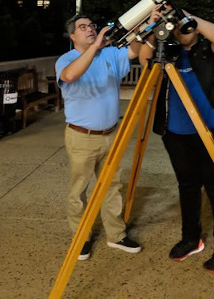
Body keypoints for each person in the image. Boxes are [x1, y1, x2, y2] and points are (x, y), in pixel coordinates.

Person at [139, 6, 214, 273]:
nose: (183, 31)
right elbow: (143, 58)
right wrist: (153, 25)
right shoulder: (166, 53)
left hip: (213, 131)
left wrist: (187, 15)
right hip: (177, 134)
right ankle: (191, 238)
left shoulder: (208, 51)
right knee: (188, 186)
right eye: (178, 26)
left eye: (186, 26)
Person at [55, 14, 142, 261]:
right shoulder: (67, 59)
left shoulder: (110, 54)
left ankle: (116, 235)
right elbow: (70, 76)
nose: (90, 29)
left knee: (112, 187)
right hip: (82, 137)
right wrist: (94, 48)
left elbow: (134, 51)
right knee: (79, 191)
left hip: (111, 134)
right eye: (83, 27)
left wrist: (140, 30)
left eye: (91, 25)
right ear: (73, 36)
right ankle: (81, 237)